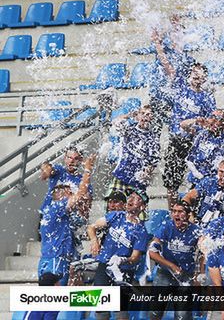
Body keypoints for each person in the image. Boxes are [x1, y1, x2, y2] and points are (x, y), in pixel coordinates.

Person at [154, 30, 217, 207]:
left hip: (194, 144)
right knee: (171, 183)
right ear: (190, 74)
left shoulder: (207, 97)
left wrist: (196, 125)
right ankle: (172, 212)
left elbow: (210, 122)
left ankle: (191, 214)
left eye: (201, 75)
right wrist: (158, 45)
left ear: (205, 78)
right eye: (195, 74)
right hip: (176, 141)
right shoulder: (180, 85)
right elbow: (166, 65)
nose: (197, 77)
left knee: (195, 181)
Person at [88, 189, 150, 320]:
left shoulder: (141, 231)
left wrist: (122, 260)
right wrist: (94, 241)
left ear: (142, 206)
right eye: (130, 197)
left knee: (120, 309)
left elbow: (135, 258)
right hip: (104, 265)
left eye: (136, 199)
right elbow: (91, 227)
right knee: (100, 306)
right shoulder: (116, 216)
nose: (131, 200)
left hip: (124, 271)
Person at [38, 155, 95, 286]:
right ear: (60, 195)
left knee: (45, 297)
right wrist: (87, 169)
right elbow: (80, 194)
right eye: (69, 193)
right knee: (56, 298)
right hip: (56, 260)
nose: (72, 196)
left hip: (49, 258)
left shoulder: (53, 211)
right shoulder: (57, 207)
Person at [149, 201, 204, 320]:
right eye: (174, 211)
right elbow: (152, 252)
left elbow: (203, 254)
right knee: (155, 312)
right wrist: (172, 266)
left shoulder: (196, 231)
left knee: (182, 316)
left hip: (185, 275)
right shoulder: (166, 227)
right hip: (164, 273)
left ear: (188, 215)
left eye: (180, 212)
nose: (176, 215)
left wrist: (198, 275)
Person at [109, 105, 160, 195]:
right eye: (142, 113)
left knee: (136, 207)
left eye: (148, 114)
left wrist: (146, 173)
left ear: (152, 118)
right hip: (121, 175)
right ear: (137, 116)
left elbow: (152, 162)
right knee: (114, 205)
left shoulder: (153, 139)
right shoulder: (129, 128)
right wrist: (130, 115)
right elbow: (115, 122)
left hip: (137, 181)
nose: (145, 116)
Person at [181, 110, 224, 189]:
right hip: (194, 179)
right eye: (212, 117)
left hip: (211, 184)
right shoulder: (200, 133)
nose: (213, 121)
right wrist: (197, 120)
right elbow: (183, 125)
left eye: (218, 119)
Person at [183, 160, 224, 227]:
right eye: (221, 172)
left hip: (221, 226)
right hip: (199, 222)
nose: (223, 176)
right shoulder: (208, 182)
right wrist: (190, 215)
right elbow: (187, 198)